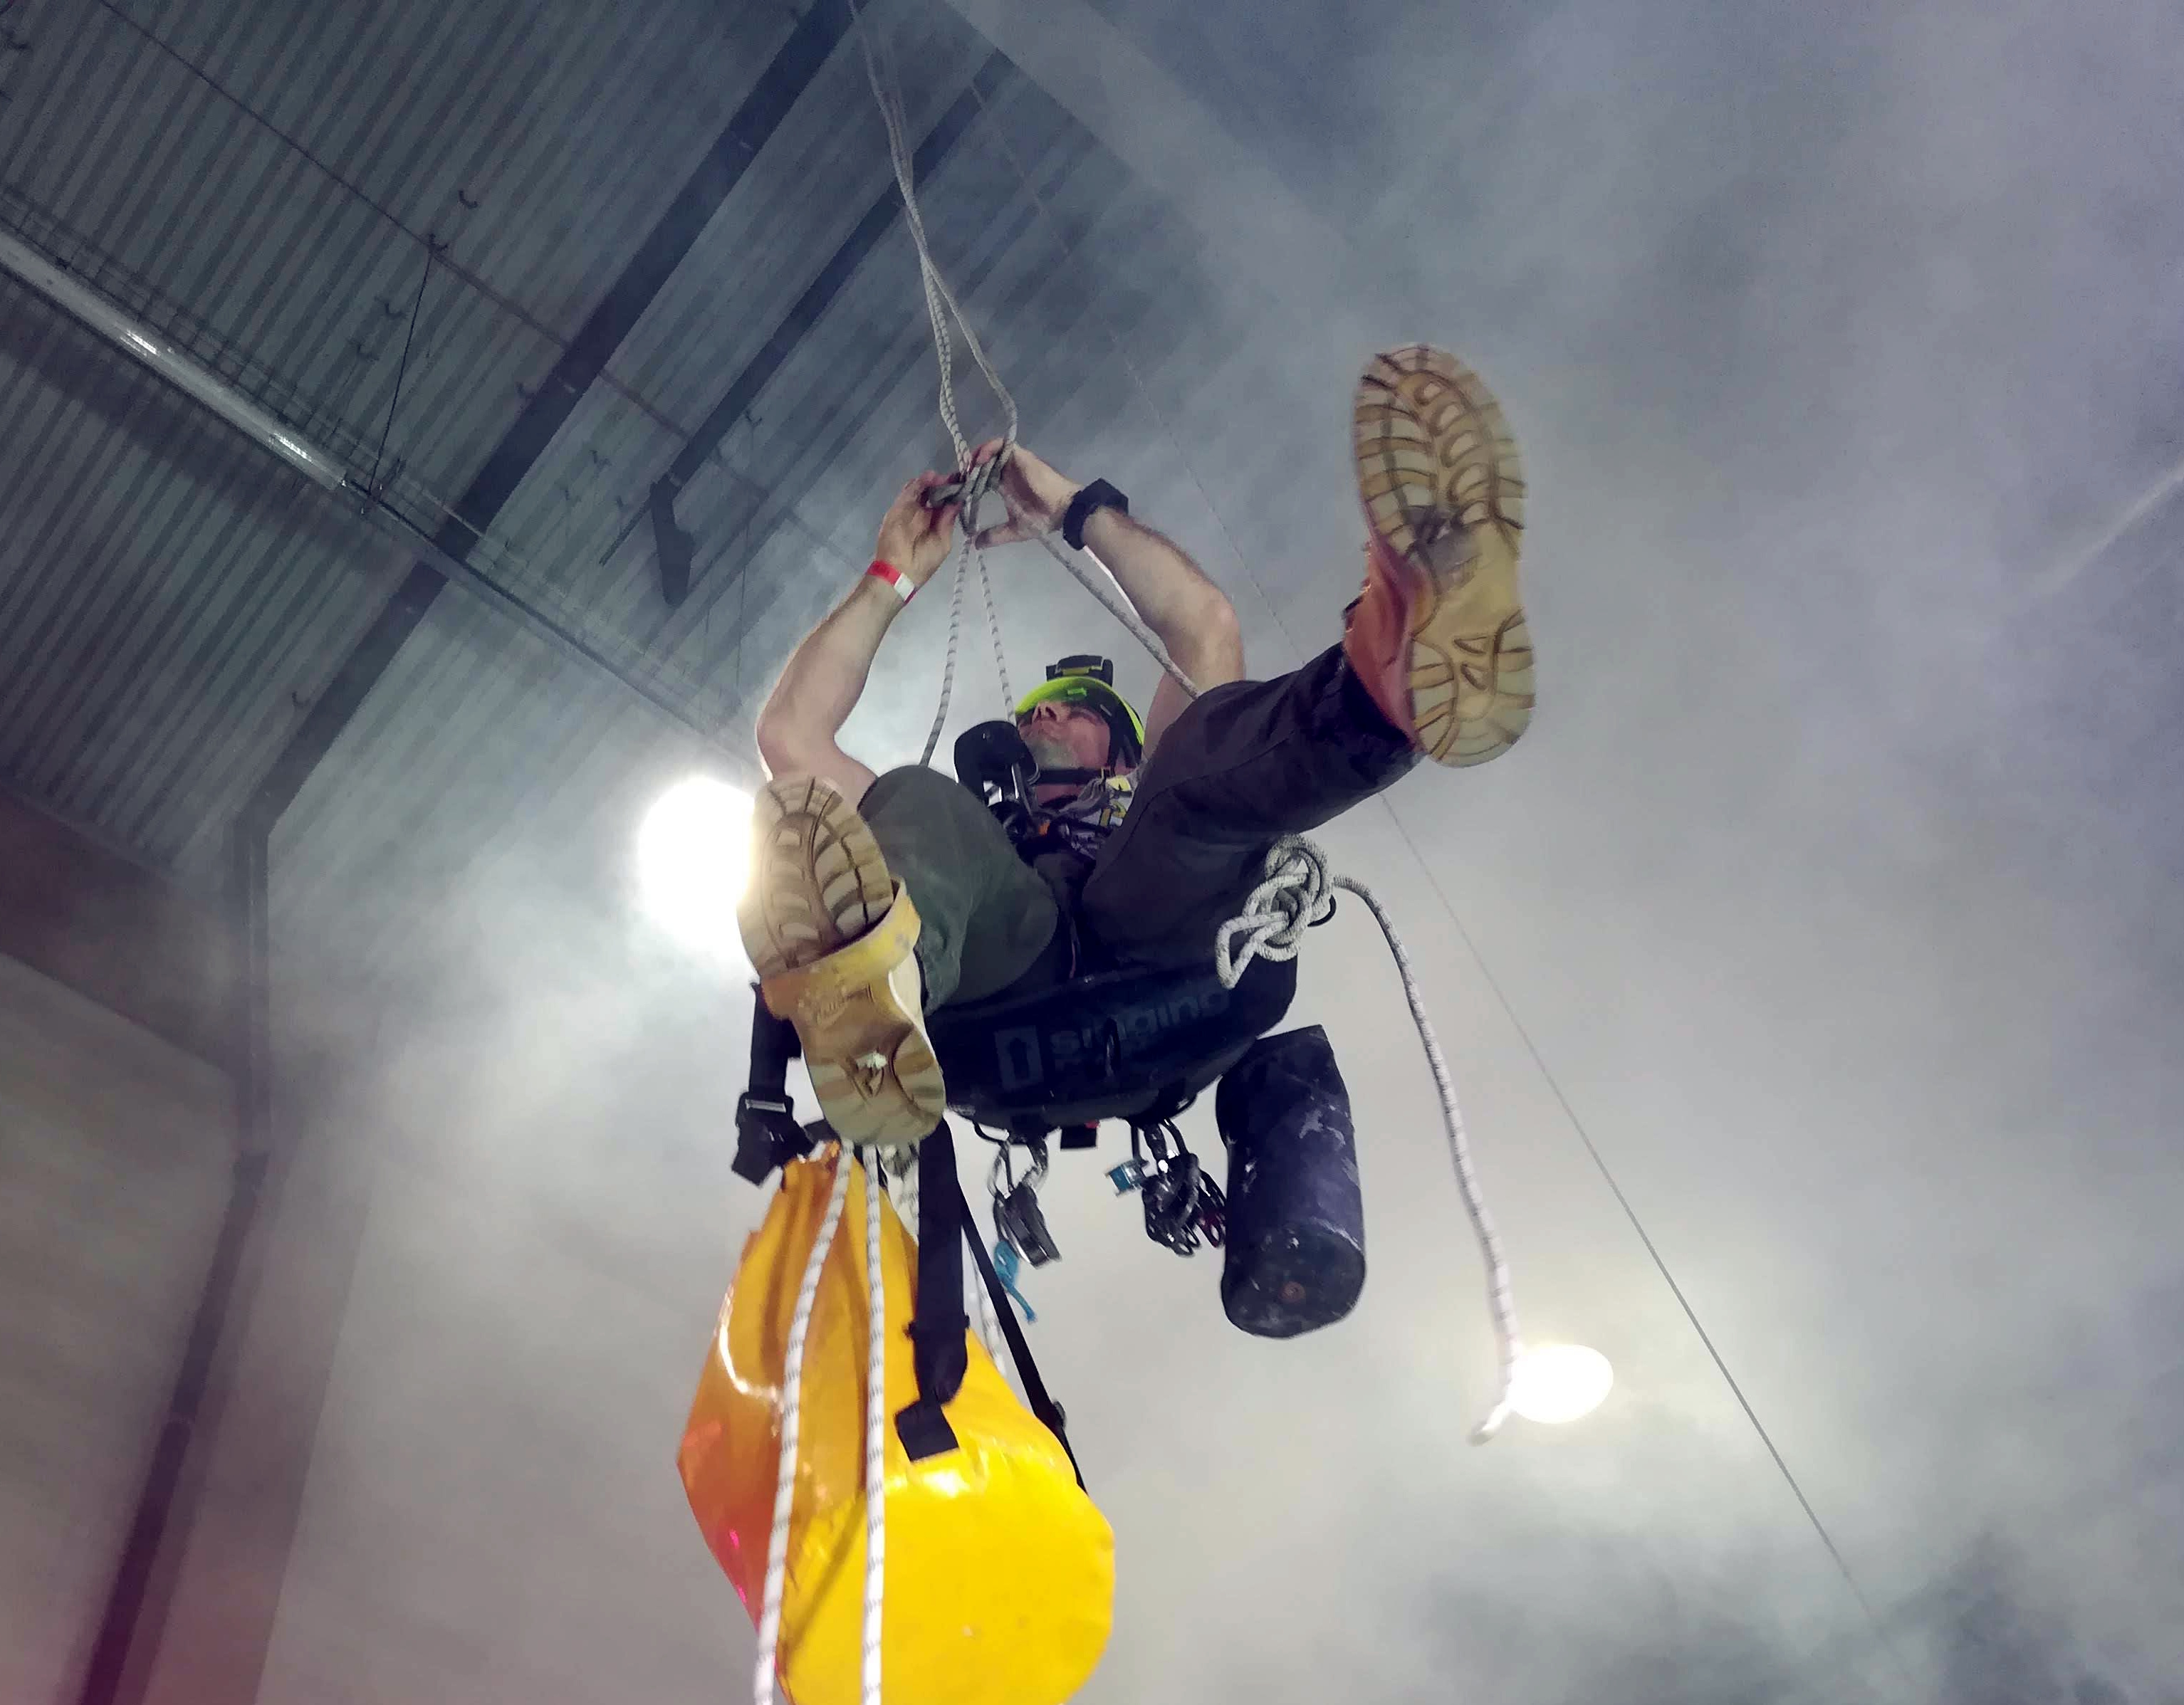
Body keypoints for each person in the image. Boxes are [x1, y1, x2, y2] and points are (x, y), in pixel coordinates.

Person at [737, 345, 1531, 1145]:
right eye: (1032, 715)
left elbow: (1203, 628)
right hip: (1010, 987)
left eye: (1073, 710)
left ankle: (1389, 677)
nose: (1039, 719)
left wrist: (1074, 510)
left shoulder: (1150, 796)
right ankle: (872, 1008)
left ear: (1120, 752)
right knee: (914, 798)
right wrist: (891, 573)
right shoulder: (975, 849)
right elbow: (790, 736)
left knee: (1192, 774)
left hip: (1174, 965)